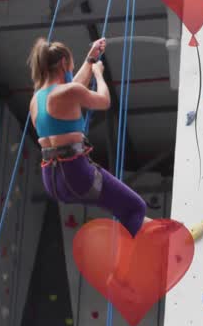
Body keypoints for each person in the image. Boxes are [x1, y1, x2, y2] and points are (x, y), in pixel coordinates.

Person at [28, 37, 147, 236]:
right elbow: (103, 101)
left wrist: (90, 59)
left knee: (124, 209)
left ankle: (158, 231)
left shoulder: (37, 99)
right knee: (135, 206)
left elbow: (74, 87)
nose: (72, 71)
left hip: (53, 181)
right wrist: (98, 74)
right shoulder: (67, 92)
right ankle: (146, 255)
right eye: (71, 67)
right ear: (64, 64)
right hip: (77, 175)